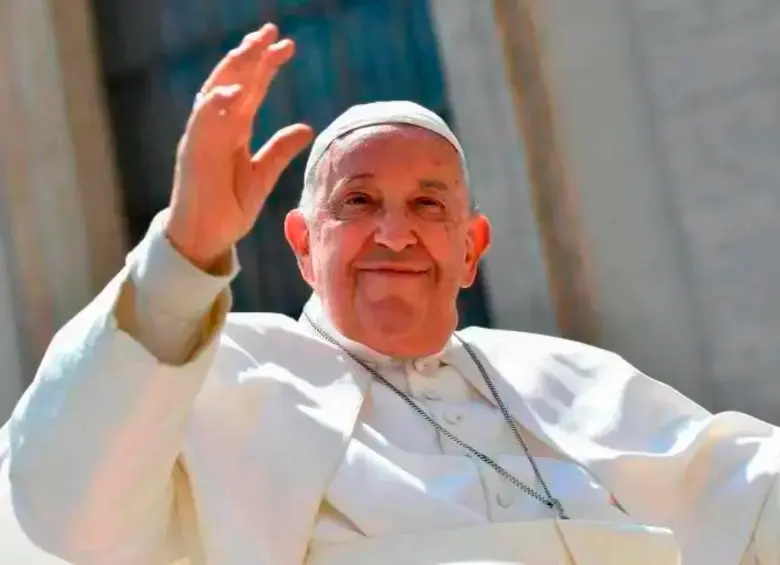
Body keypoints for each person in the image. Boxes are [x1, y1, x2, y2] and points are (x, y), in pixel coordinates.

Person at [1, 23, 779, 565]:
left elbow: (753, 497)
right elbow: (69, 512)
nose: (396, 235)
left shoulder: (575, 380)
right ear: (304, 245)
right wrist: (187, 251)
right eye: (360, 203)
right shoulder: (222, 380)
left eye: (428, 206)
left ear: (470, 249)